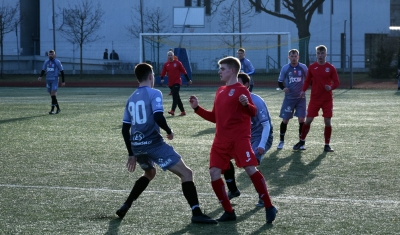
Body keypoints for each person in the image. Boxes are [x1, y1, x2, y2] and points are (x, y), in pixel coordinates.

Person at [116, 63, 217, 224]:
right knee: (187, 174)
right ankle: (196, 212)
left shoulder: (130, 98)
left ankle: (126, 204)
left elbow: (124, 129)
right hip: (154, 144)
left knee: (149, 173)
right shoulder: (154, 93)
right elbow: (158, 117)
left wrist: (131, 153)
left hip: (137, 146)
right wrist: (169, 130)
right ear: (150, 76)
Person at [188, 56, 277, 224]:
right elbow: (215, 117)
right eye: (219, 69)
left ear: (233, 70)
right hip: (220, 141)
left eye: (222, 69)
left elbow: (252, 112)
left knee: (250, 169)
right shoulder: (220, 90)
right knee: (214, 173)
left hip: (239, 140)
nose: (219, 71)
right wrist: (197, 109)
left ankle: (269, 206)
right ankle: (229, 211)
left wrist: (246, 104)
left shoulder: (242, 90)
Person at [223, 72, 274, 207]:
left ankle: (263, 197)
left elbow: (266, 125)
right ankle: (233, 189)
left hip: (260, 136)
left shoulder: (256, 101)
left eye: (238, 83)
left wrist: (262, 145)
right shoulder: (233, 101)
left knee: (250, 163)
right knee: (224, 158)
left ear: (246, 85)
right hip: (243, 136)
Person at [293, 45, 340, 152]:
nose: (320, 55)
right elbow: (307, 80)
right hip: (315, 99)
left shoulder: (331, 68)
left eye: (322, 53)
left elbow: (337, 82)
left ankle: (327, 145)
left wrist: (331, 87)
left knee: (327, 121)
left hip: (327, 99)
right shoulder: (312, 67)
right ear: (316, 54)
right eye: (318, 53)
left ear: (326, 54)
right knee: (308, 120)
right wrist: (303, 90)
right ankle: (302, 141)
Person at [276, 49, 308, 149]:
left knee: (302, 119)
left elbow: (308, 80)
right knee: (285, 120)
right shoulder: (285, 68)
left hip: (301, 98)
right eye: (292, 56)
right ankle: (281, 141)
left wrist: (304, 90)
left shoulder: (303, 67)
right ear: (288, 57)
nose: (294, 58)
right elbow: (280, 81)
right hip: (289, 99)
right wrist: (283, 88)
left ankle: (301, 142)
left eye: (295, 56)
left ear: (298, 57)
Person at [160, 50, 192, 116]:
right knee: (177, 98)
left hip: (177, 82)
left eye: (171, 55)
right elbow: (163, 72)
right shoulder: (166, 64)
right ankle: (183, 111)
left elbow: (184, 71)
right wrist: (162, 78)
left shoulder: (178, 63)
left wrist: (188, 80)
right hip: (170, 84)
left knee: (175, 96)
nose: (170, 56)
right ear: (167, 56)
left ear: (173, 56)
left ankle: (172, 110)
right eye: (169, 55)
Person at [37, 50, 65, 115]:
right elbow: (43, 70)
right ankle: (58, 108)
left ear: (54, 55)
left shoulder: (57, 62)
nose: (50, 55)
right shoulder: (46, 62)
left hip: (54, 79)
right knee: (52, 96)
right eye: (49, 54)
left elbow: (62, 71)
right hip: (48, 79)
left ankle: (52, 110)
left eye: (52, 54)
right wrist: (40, 76)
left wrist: (63, 81)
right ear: (48, 55)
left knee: (53, 94)